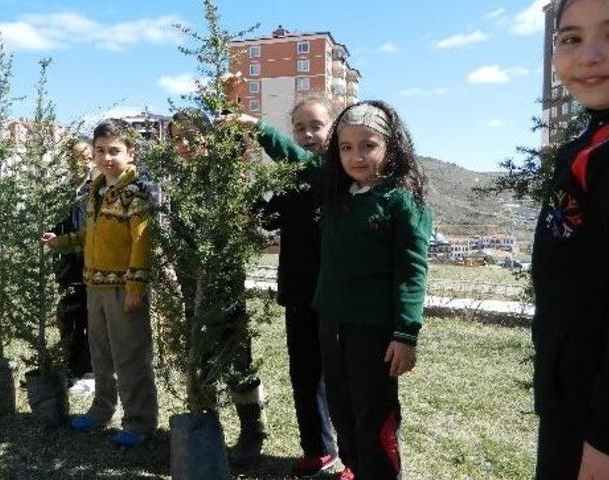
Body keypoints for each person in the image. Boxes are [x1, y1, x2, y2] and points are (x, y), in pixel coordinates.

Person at [223, 100, 433, 480]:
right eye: (346, 147)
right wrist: (255, 127)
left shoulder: (401, 201)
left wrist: (406, 333)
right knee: (341, 407)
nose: (357, 156)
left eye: (368, 146)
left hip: (374, 330)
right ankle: (352, 467)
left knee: (374, 415)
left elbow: (412, 271)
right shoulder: (334, 189)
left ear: (391, 145)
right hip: (331, 322)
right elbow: (297, 159)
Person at [532, 0, 609, 478]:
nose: (590, 55)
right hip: (572, 389)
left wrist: (605, 437)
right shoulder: (589, 143)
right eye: (572, 39)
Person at [42, 119, 158, 448]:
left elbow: (141, 242)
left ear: (131, 153)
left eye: (115, 151)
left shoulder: (136, 192)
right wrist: (62, 242)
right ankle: (102, 408)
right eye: (100, 151)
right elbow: (92, 235)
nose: (107, 158)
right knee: (101, 354)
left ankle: (139, 421)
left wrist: (135, 287)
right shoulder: (96, 190)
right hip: (94, 286)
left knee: (131, 356)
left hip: (123, 289)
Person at [167, 108, 269, 467]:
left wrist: (229, 103)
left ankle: (253, 431)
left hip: (224, 286)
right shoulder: (179, 183)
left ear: (208, 140)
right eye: (176, 138)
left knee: (236, 359)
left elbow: (236, 148)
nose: (183, 145)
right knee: (201, 358)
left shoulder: (221, 174)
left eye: (191, 137)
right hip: (190, 286)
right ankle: (205, 428)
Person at [258, 98, 341, 478]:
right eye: (300, 128)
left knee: (341, 377)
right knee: (304, 374)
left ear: (333, 127)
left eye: (316, 126)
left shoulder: (338, 171)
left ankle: (355, 455)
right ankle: (318, 448)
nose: (308, 134)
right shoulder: (291, 178)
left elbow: (308, 168)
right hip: (298, 292)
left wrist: (259, 131)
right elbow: (269, 217)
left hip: (337, 296)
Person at [53, 137, 95, 395]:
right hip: (68, 265)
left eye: (85, 157)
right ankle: (71, 367)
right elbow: (54, 227)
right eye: (74, 158)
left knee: (92, 316)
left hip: (93, 263)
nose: (80, 163)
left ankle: (91, 370)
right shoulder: (61, 192)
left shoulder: (98, 190)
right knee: (69, 314)